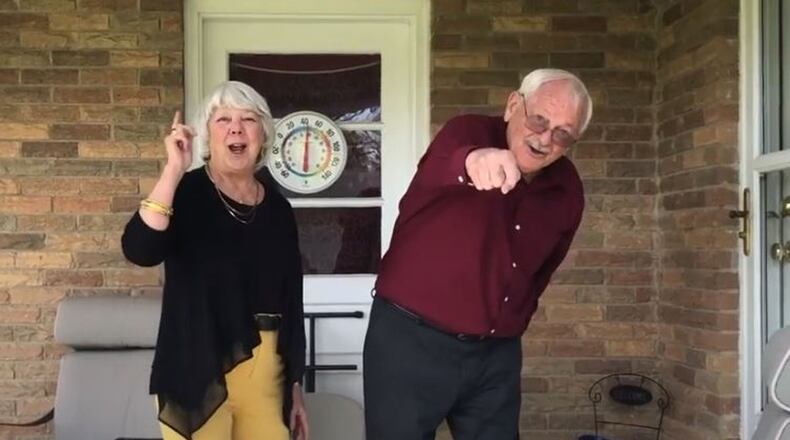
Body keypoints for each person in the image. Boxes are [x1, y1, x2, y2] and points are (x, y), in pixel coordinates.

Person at [363, 68, 593, 439]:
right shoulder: (465, 132)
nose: (545, 138)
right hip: (410, 342)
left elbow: (543, 271)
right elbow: (447, 161)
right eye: (539, 120)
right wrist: (474, 161)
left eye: (563, 134)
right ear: (513, 105)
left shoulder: (567, 189)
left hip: (494, 356)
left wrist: (512, 320)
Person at [122, 81, 309, 440]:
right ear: (208, 134)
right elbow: (140, 249)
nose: (236, 128)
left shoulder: (279, 209)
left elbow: (292, 300)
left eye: (248, 119)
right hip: (197, 364)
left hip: (266, 373)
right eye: (223, 119)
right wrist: (174, 169)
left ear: (262, 135)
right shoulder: (187, 191)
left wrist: (296, 386)